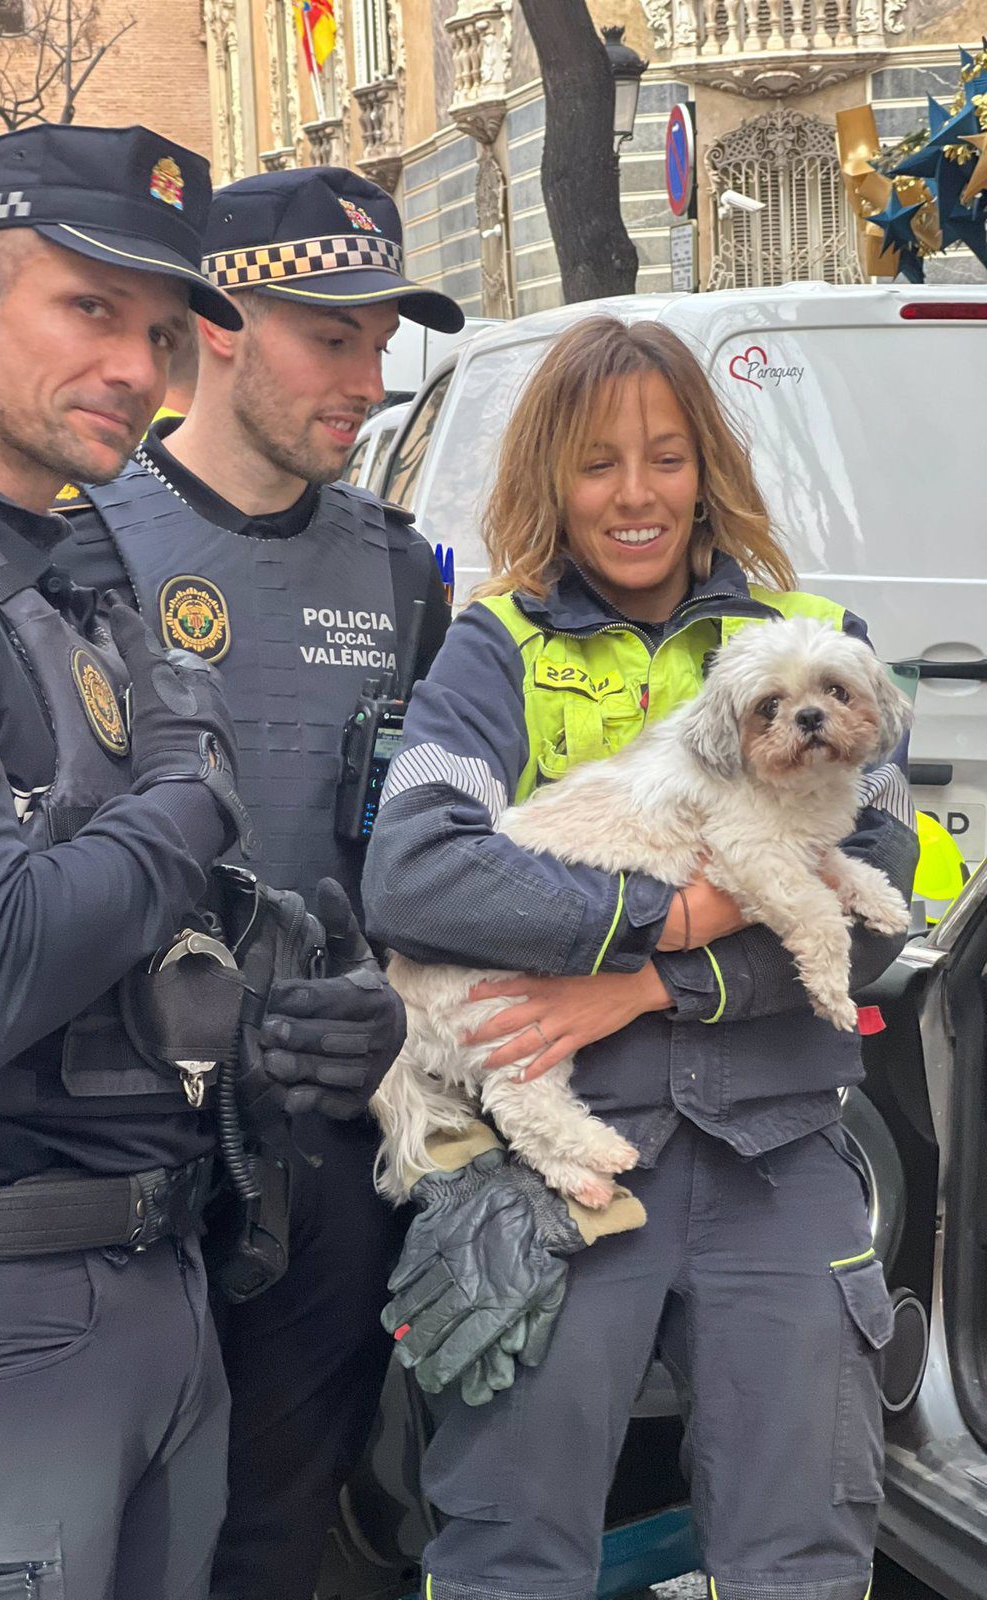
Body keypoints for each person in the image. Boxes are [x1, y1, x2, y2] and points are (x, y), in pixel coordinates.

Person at [0, 124, 403, 1600]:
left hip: (153, 1279)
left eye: (156, 328)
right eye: (87, 310)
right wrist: (190, 791)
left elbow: (147, 966)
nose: (134, 365)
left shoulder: (48, 577)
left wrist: (332, 1012)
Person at [362, 317, 918, 1600]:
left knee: (802, 1558)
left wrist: (646, 981)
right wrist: (674, 918)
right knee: (511, 1551)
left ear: (707, 465)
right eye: (597, 461)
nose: (634, 494)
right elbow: (417, 873)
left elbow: (879, 917)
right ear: (551, 478)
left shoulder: (821, 644)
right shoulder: (495, 647)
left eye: (665, 456)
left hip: (779, 1157)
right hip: (563, 1171)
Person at [53, 164, 464, 1600]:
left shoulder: (408, 575)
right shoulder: (80, 540)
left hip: (333, 1135)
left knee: (287, 1539)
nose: (369, 378)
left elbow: (433, 859)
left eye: (382, 341)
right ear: (219, 322)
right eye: (330, 335)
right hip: (126, 1144)